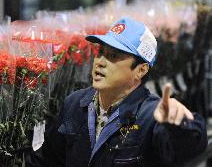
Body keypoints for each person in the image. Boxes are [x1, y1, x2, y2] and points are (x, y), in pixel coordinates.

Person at [40, 17, 207, 167]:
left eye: (113, 56)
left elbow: (190, 147)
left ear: (140, 70)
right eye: (101, 52)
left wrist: (179, 125)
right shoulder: (74, 103)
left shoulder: (151, 117)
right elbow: (50, 158)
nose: (100, 62)